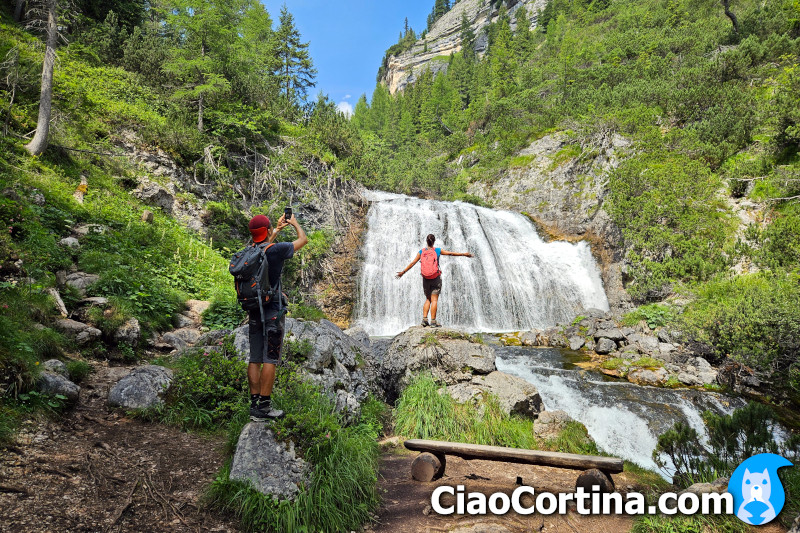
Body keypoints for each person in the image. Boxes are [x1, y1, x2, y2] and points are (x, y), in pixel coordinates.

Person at [246, 213, 307, 421]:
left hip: (254, 310)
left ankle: (254, 405)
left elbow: (263, 246)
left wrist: (276, 231)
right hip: (272, 310)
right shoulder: (277, 250)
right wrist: (295, 223)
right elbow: (303, 240)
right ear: (267, 229)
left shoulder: (249, 252)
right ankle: (264, 406)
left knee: (254, 358)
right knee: (269, 358)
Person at [396, 234, 473, 327]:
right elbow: (450, 253)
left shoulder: (421, 252)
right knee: (434, 300)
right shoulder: (437, 250)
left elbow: (412, 263)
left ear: (426, 241)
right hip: (435, 278)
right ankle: (433, 321)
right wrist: (464, 254)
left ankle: (424, 320)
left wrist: (402, 272)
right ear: (434, 241)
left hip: (426, 279)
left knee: (428, 299)